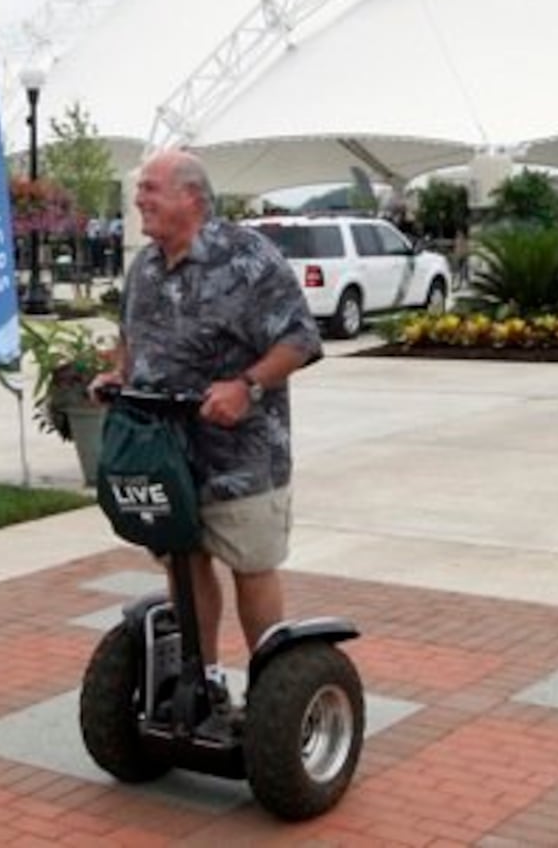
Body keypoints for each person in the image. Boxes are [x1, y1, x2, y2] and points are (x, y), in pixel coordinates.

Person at [90, 149, 323, 722]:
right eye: (141, 189)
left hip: (241, 453)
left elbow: (301, 338)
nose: (139, 199)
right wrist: (119, 374)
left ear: (191, 197)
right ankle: (206, 678)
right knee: (184, 560)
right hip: (167, 454)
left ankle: (273, 698)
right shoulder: (144, 266)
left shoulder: (246, 258)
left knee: (250, 563)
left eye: (151, 189)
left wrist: (246, 386)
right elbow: (133, 337)